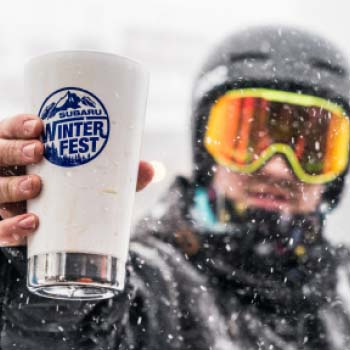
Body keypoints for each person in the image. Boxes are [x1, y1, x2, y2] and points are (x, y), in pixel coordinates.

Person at [0, 25, 350, 350]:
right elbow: (72, 328)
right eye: (247, 137)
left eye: (309, 144)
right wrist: (30, 262)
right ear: (206, 151)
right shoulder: (157, 284)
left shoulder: (342, 291)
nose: (277, 166)